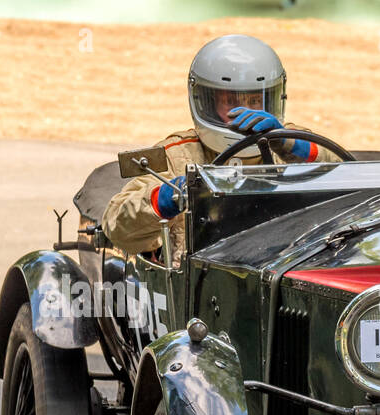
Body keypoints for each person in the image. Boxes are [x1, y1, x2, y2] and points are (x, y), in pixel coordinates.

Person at [103, 34, 340, 257]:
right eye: (230, 101)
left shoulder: (292, 143)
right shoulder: (177, 155)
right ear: (205, 101)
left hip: (280, 278)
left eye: (255, 100)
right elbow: (116, 225)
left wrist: (291, 145)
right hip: (194, 290)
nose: (244, 110)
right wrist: (167, 198)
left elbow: (347, 180)